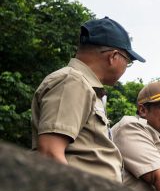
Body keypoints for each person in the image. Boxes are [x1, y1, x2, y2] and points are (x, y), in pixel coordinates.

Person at [31, 17, 145, 182]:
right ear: (113, 56)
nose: (125, 68)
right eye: (127, 61)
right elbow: (49, 151)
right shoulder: (72, 82)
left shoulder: (84, 86)